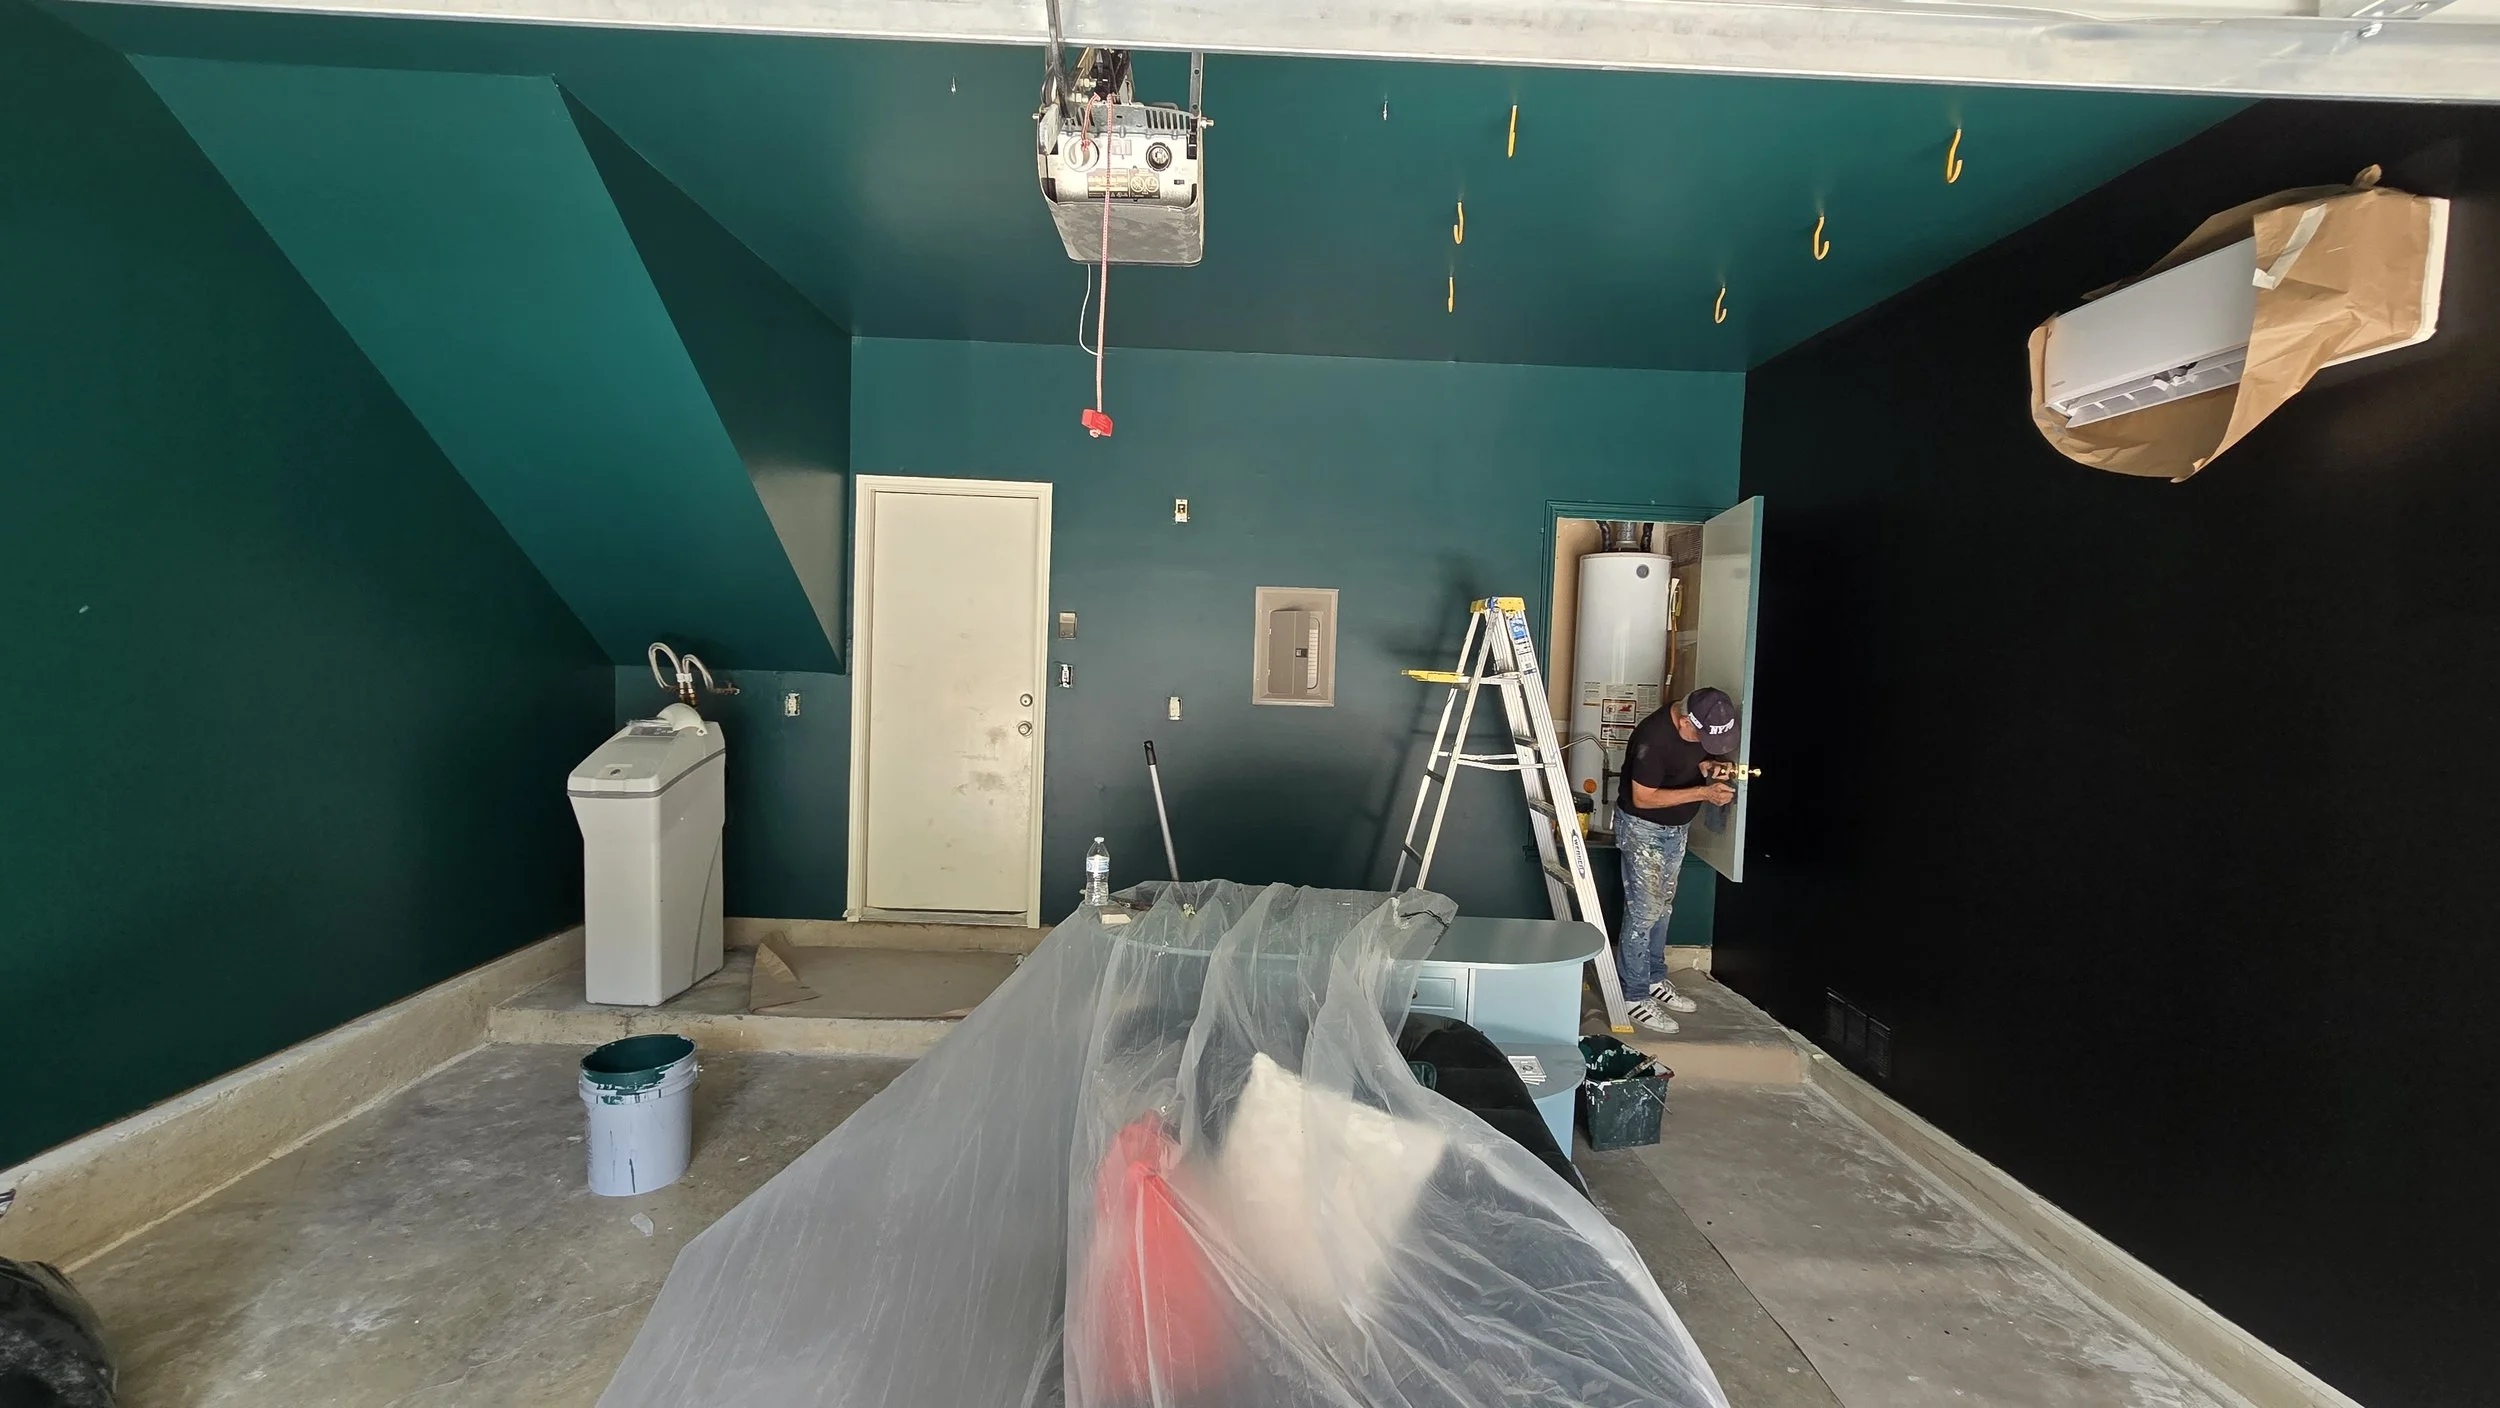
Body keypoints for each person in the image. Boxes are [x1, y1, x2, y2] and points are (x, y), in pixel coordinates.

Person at [1612, 687, 1741, 1034]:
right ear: (1685, 720)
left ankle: (1653, 978)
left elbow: (1692, 760)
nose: (1703, 743)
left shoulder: (1701, 724)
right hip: (1643, 830)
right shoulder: (1653, 740)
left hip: (1675, 829)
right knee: (1644, 912)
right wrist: (1702, 792)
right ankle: (1633, 995)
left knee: (1663, 905)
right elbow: (1642, 798)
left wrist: (1710, 766)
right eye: (1700, 738)